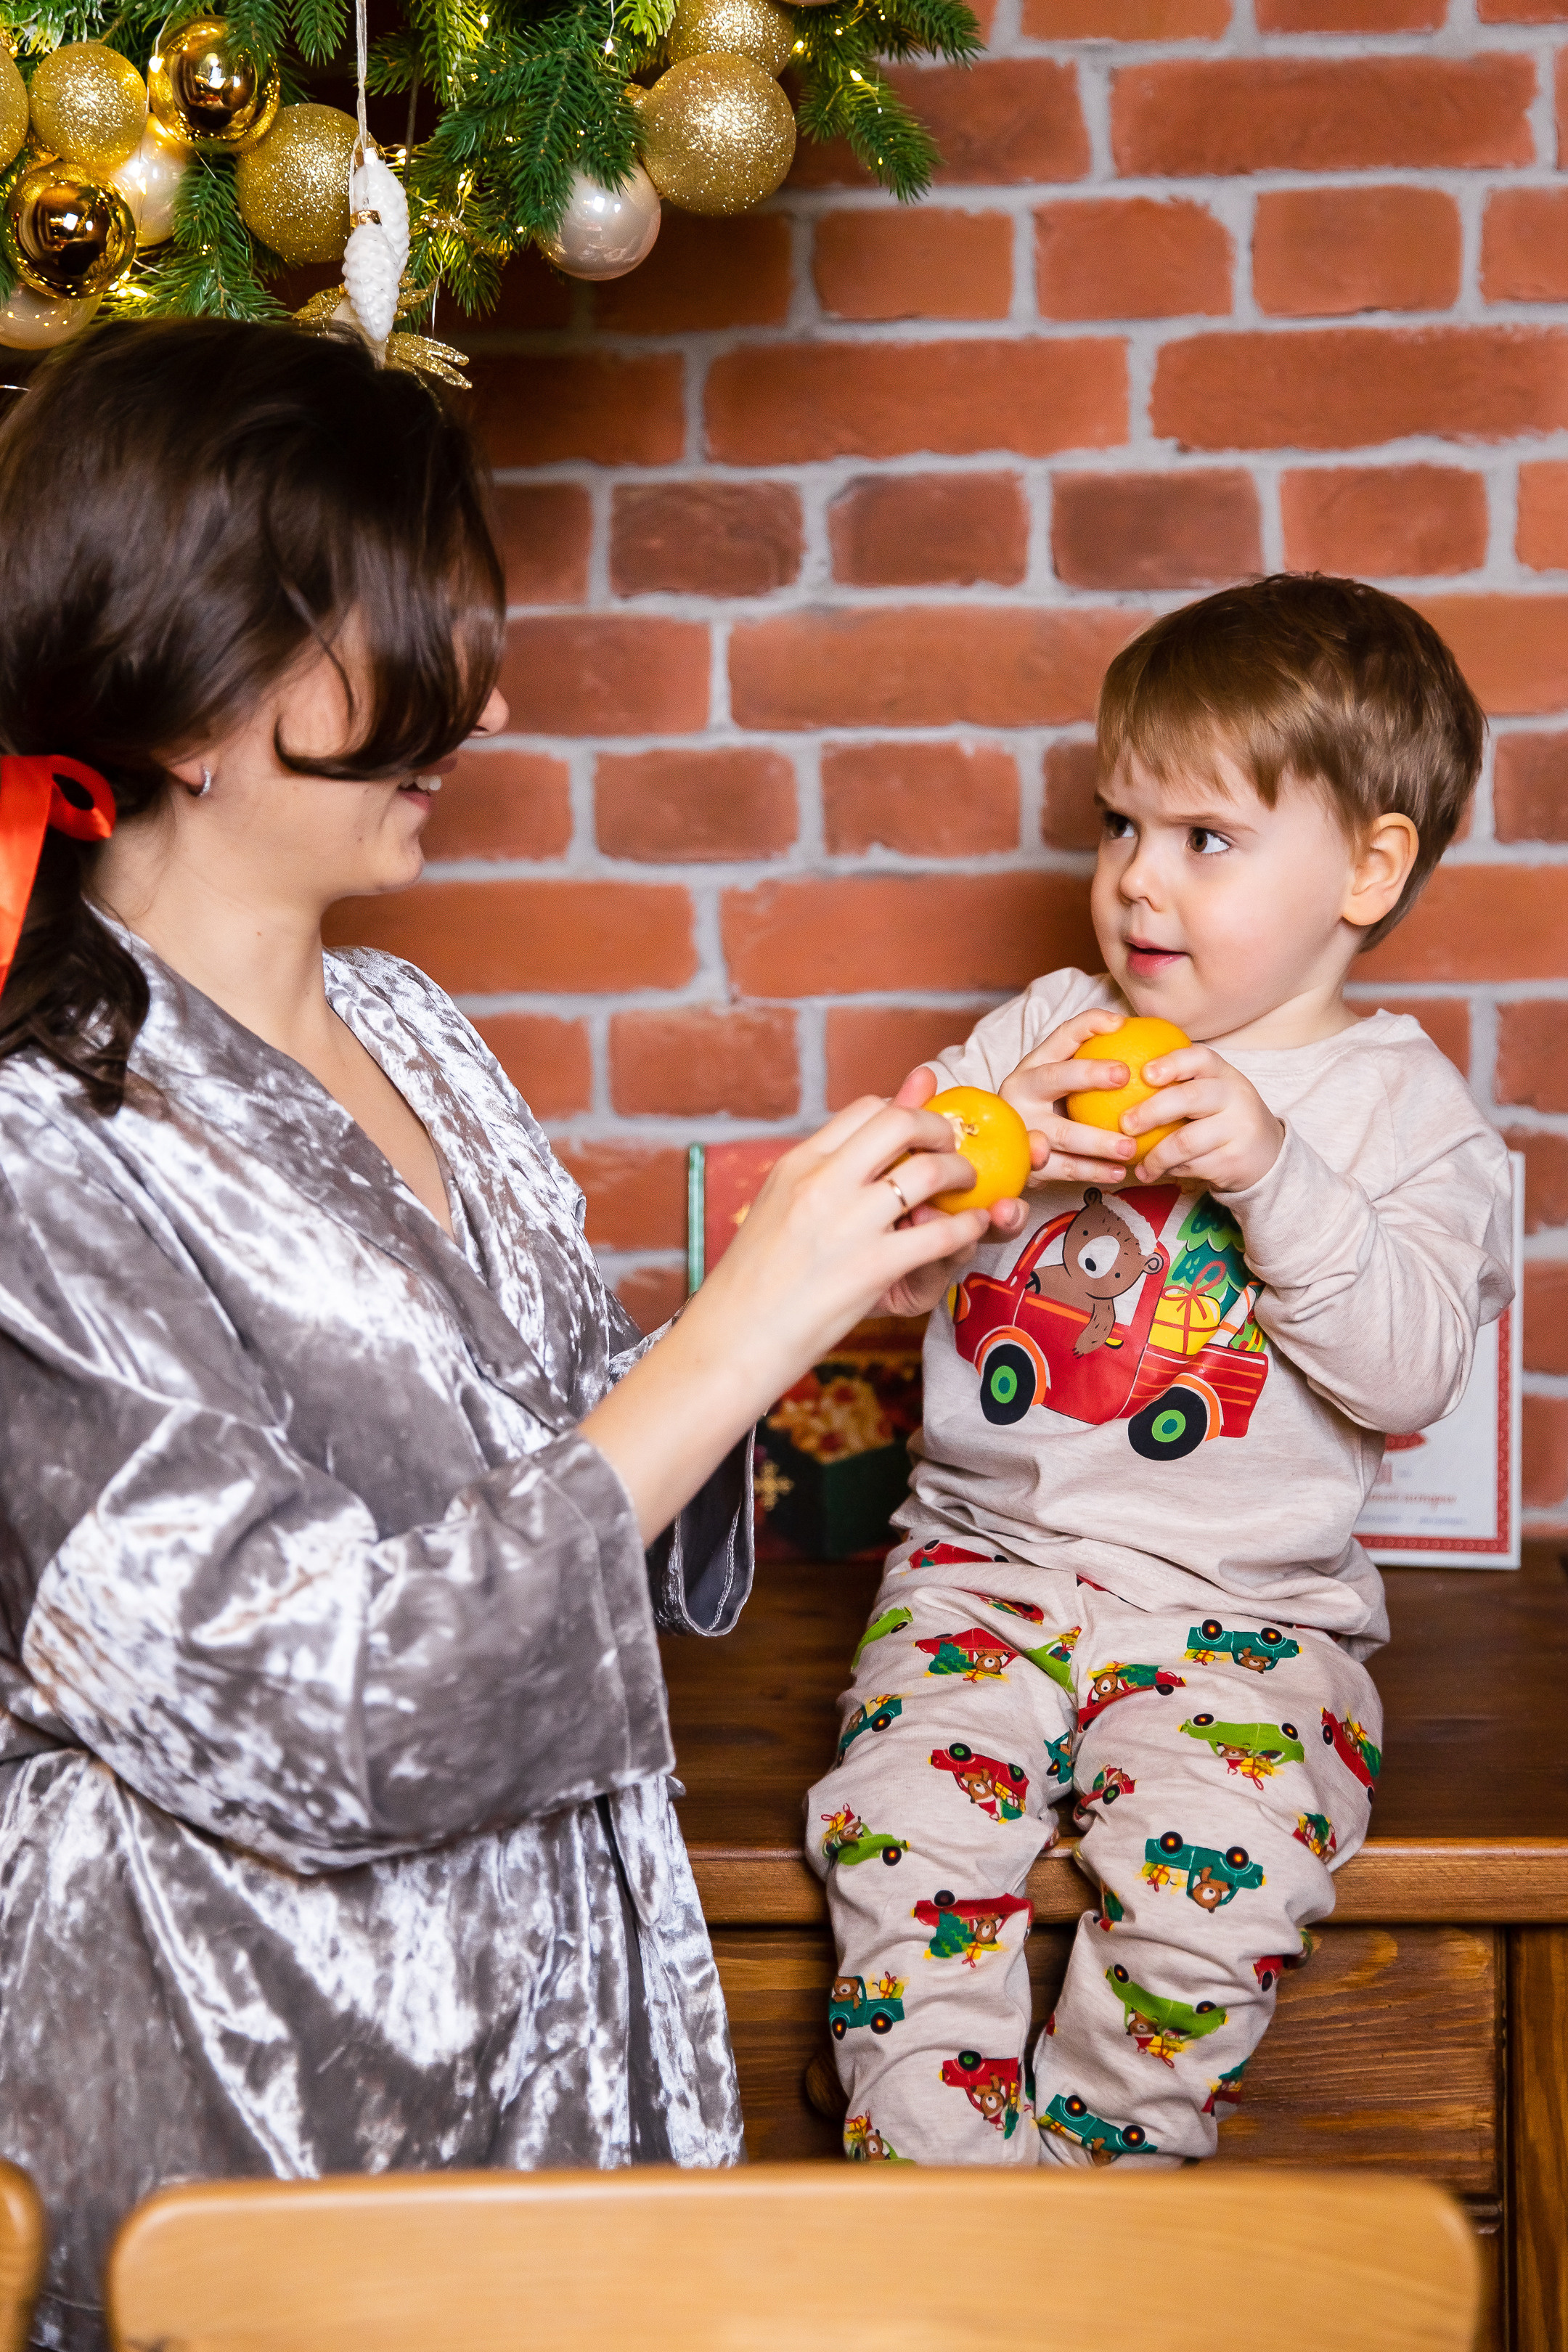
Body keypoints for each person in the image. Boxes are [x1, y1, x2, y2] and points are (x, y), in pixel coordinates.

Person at [0, 319, 1007, 2352]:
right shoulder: (35, 1151)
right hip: (253, 2097)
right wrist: (736, 1333)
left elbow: (553, 1466)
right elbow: (308, 1707)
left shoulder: (415, 1031)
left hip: (560, 2027)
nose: (490, 695)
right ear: (197, 690)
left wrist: (809, 1302)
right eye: (409, 633)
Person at [809, 575, 1514, 2168]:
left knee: (1216, 1890)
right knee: (900, 1844)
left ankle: (1098, 2209)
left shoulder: (1405, 1117)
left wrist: (1273, 1170)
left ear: (1368, 868)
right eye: (1120, 825)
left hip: (1247, 1620)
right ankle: (938, 2202)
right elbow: (887, 1251)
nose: (1137, 878)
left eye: (1205, 838)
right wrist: (975, 1157)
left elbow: (1408, 1375)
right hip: (981, 1572)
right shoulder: (1048, 1028)